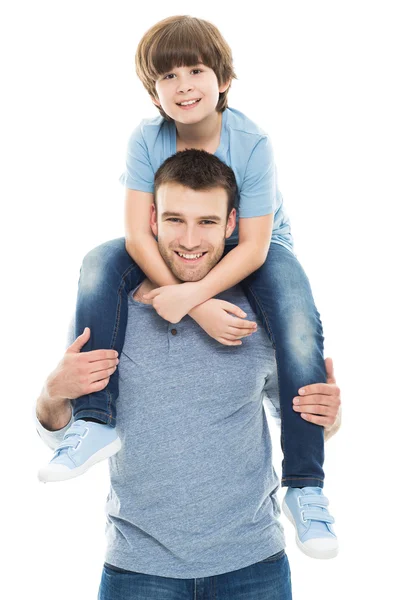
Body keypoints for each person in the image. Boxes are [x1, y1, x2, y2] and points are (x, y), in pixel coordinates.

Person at [38, 15, 340, 557]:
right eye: (168, 76)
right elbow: (136, 234)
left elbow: (250, 247)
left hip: (256, 243)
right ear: (151, 88)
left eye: (196, 70)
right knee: (97, 263)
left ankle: (306, 485)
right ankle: (94, 419)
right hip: (175, 254)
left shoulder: (252, 142)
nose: (183, 86)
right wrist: (189, 304)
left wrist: (188, 297)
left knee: (297, 315)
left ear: (222, 78)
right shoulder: (146, 139)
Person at [35, 150, 341, 597]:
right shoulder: (111, 307)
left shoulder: (261, 309)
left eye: (207, 222)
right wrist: (52, 392)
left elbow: (294, 417)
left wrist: (327, 416)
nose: (190, 239)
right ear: (152, 219)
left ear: (232, 225)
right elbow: (64, 435)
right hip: (137, 569)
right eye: (176, 219)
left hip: (254, 565)